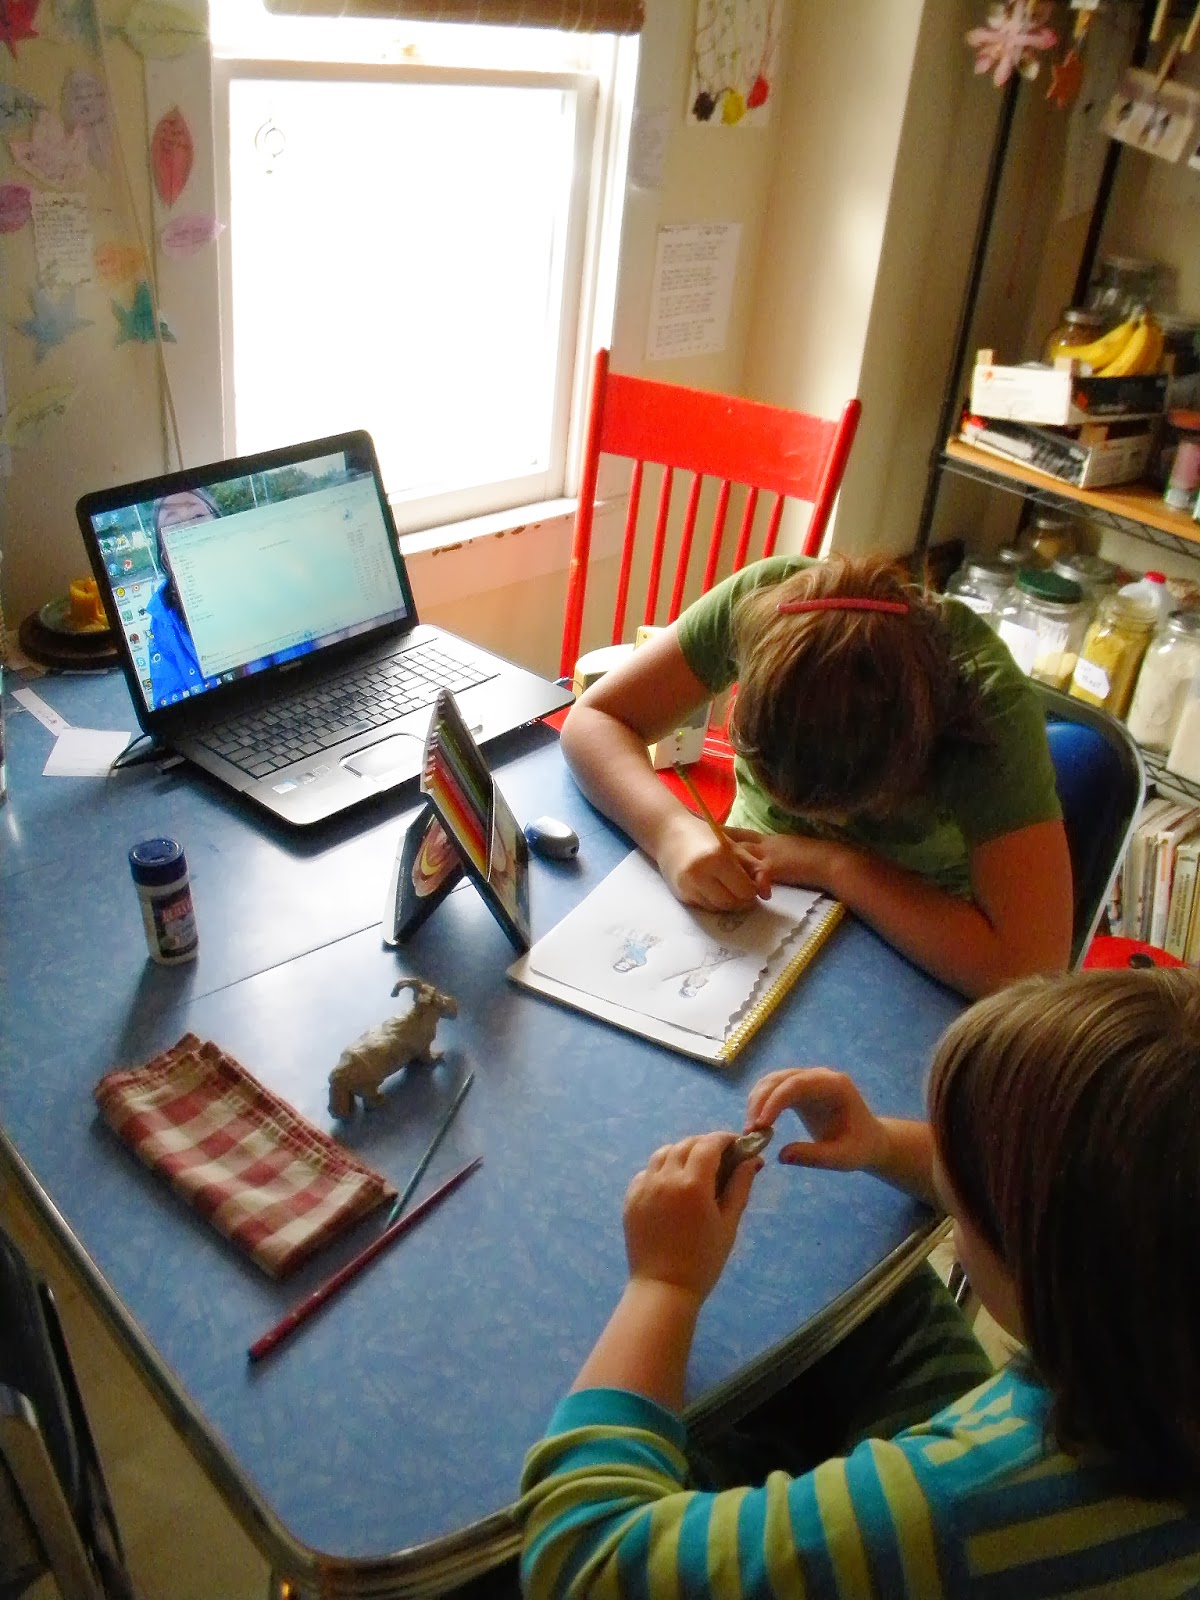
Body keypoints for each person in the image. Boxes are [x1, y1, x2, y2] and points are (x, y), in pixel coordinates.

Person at [519, 967, 1200, 1596]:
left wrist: (662, 1284)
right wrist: (883, 1144)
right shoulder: (1162, 1327)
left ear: (1055, 1277)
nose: (947, 1184)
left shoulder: (951, 1508)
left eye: (963, 1196)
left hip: (966, 1533)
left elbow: (582, 1558)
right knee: (878, 1305)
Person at [559, 553, 1072, 997]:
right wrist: (671, 831)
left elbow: (1030, 968)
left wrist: (833, 866)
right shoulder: (762, 604)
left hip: (920, 940)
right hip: (758, 899)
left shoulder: (989, 710)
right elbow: (594, 720)